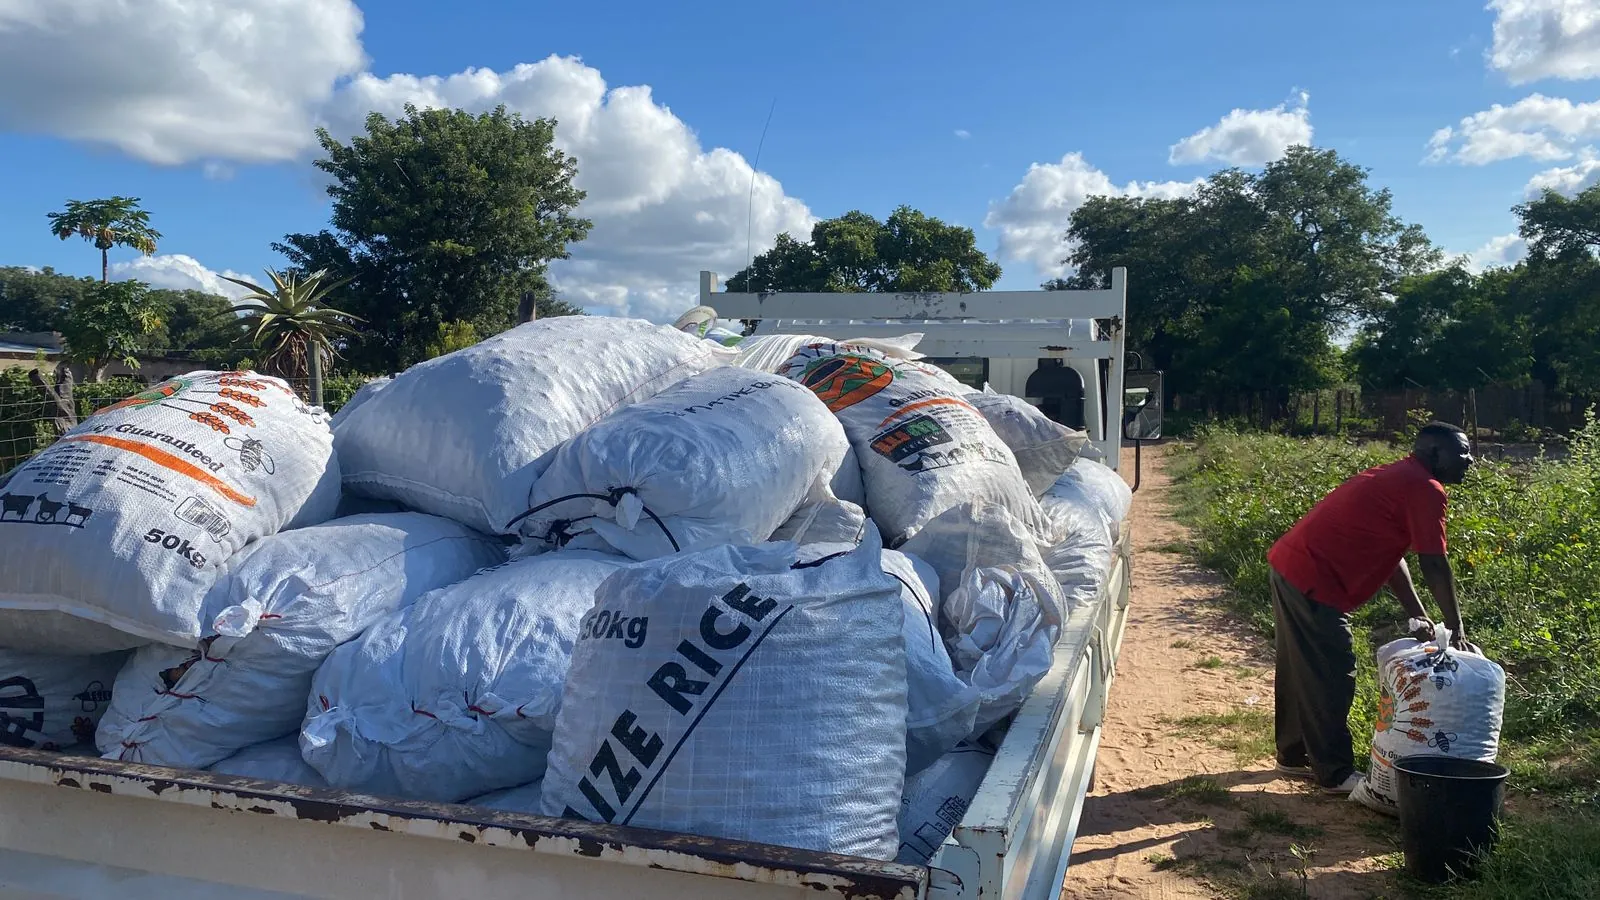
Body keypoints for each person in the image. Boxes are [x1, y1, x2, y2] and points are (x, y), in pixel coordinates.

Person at [1265, 422, 1476, 795]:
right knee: (1332, 670)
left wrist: (1417, 613)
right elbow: (1434, 563)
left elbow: (1393, 556)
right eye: (1462, 452)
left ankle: (1293, 755)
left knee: (1301, 666)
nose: (1470, 459)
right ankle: (1333, 773)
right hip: (1313, 577)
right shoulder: (1425, 488)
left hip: (1292, 565)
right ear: (1434, 453)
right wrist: (1455, 628)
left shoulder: (1402, 476)